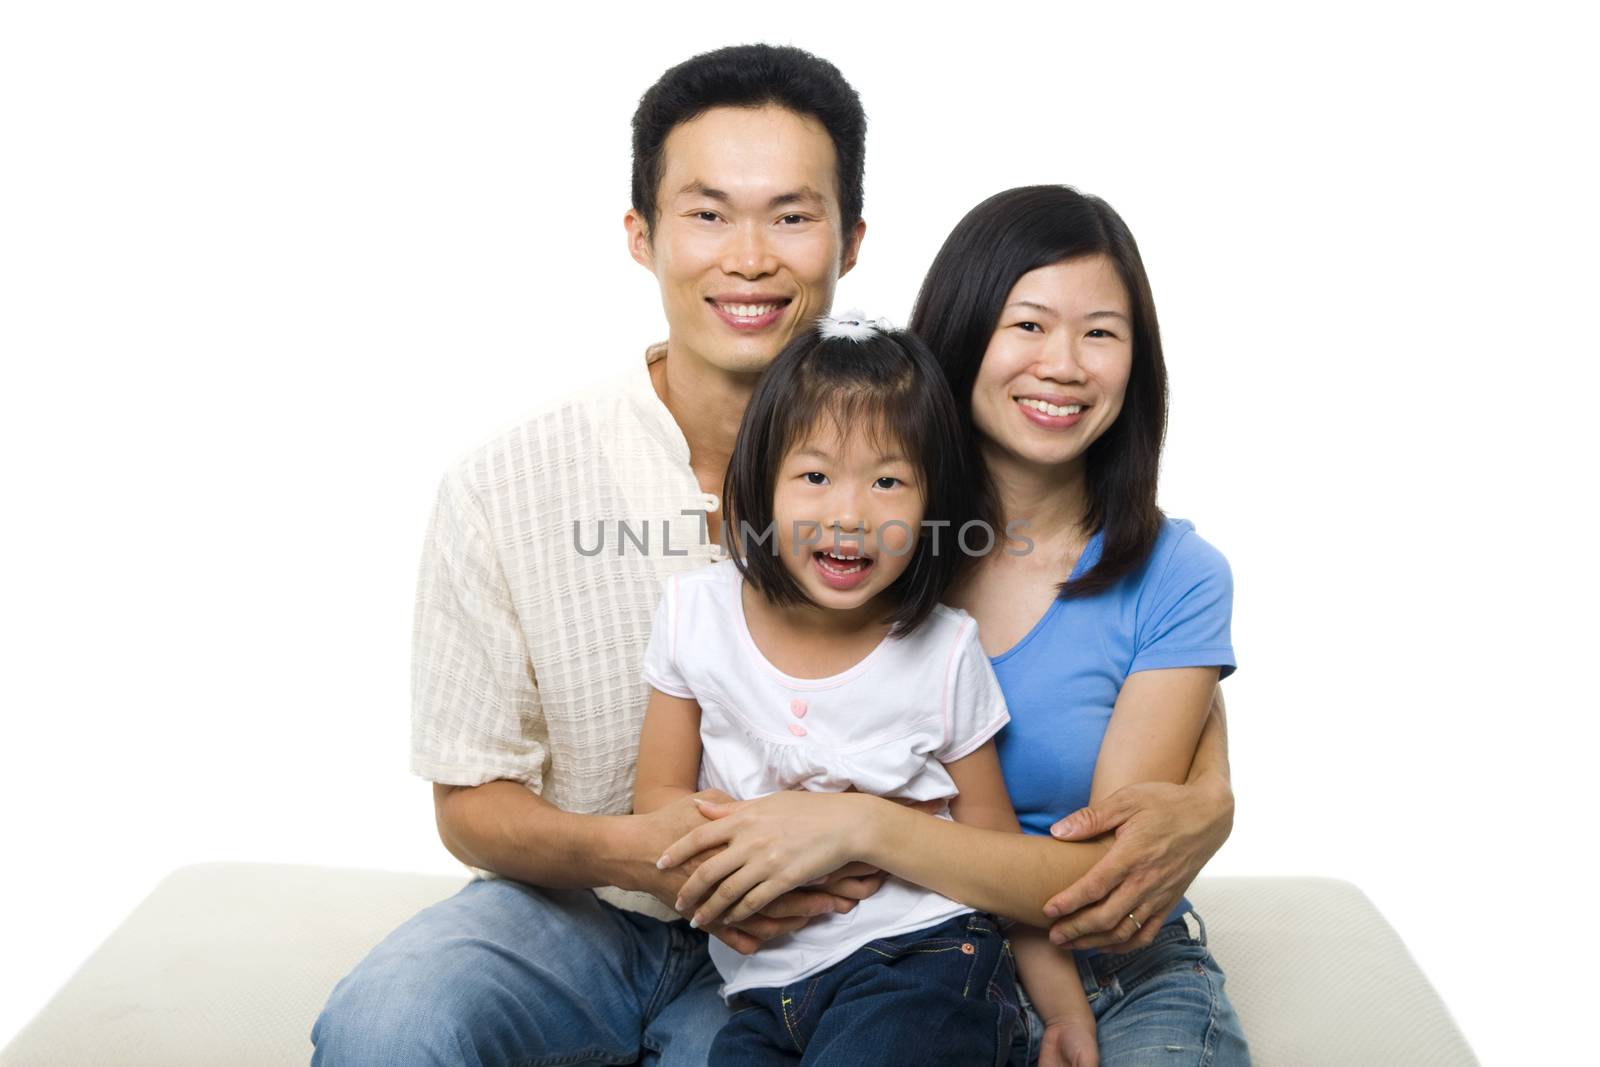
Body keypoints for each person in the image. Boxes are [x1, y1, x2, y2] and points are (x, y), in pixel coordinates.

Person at [312, 37, 1237, 1064]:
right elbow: (469, 800)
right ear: (640, 232)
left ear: (850, 241)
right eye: (707, 213)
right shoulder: (509, 484)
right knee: (387, 1022)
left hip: (835, 945)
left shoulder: (933, 499)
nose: (749, 256)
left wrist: (1210, 792)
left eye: (792, 215)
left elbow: (1097, 626)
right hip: (597, 909)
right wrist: (686, 859)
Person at [657, 186, 1252, 1065]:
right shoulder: (866, 560)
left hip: (1094, 967)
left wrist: (863, 825)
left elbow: (1104, 874)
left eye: (1101, 332)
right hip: (839, 960)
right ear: (966, 331)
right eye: (1028, 324)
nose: (1064, 364)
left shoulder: (1178, 577)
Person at [633, 317, 1097, 1065]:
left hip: (922, 960)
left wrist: (1067, 1013)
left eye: (888, 481)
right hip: (763, 989)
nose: (850, 516)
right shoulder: (697, 614)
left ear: (930, 503)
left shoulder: (943, 652)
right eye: (815, 476)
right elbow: (654, 797)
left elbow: (1000, 856)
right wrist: (763, 835)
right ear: (762, 482)